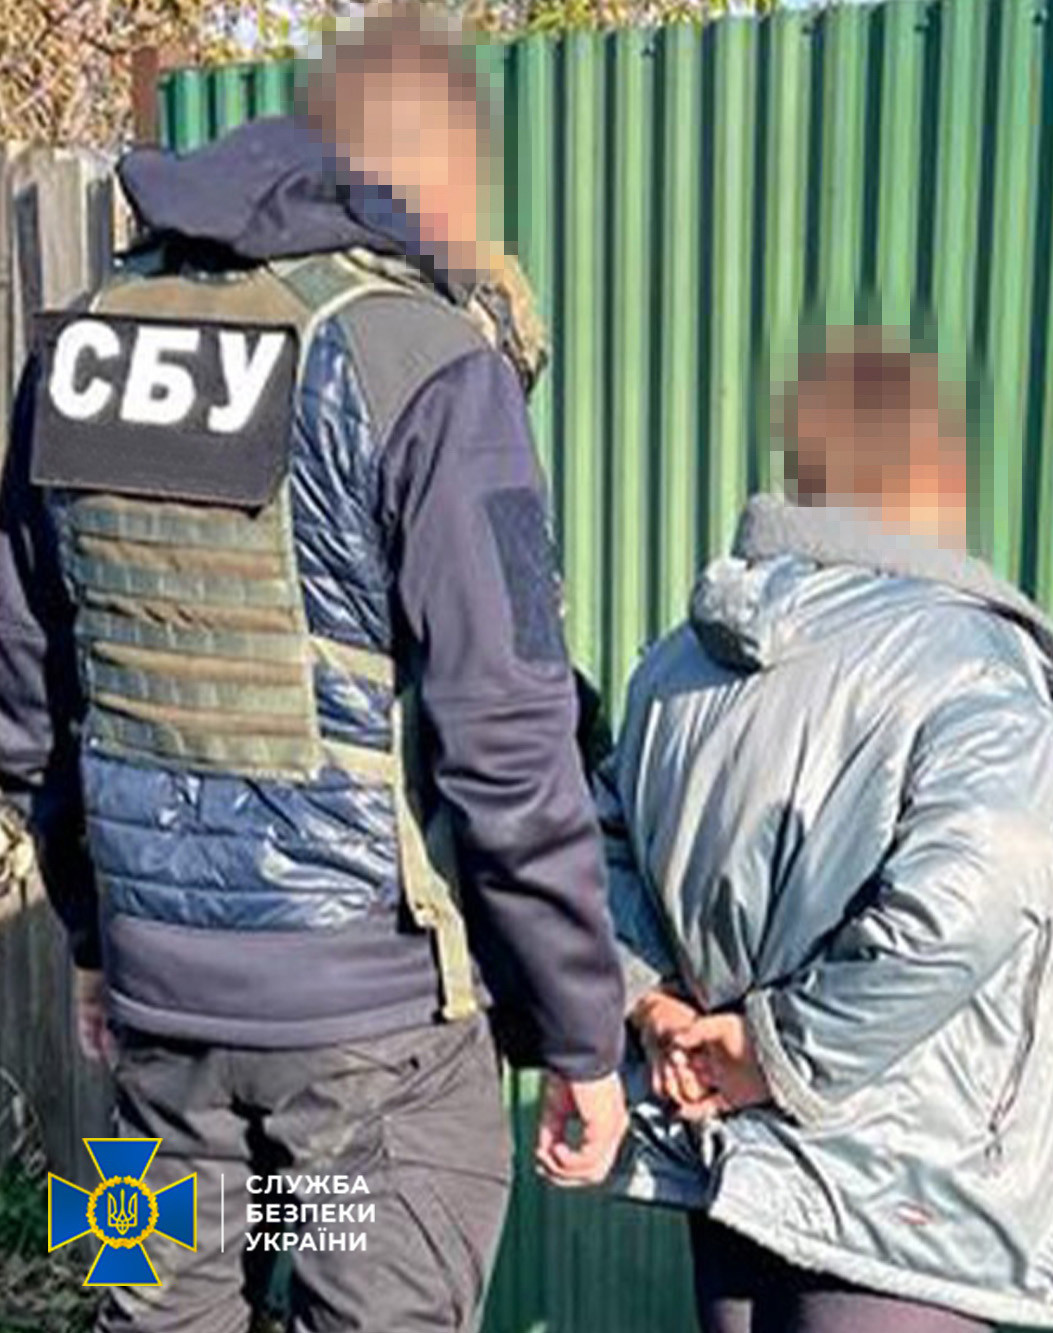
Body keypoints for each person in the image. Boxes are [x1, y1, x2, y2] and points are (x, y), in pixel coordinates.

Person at [0, 9, 628, 1330]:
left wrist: (101, 940)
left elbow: (31, 697)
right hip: (373, 1042)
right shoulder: (428, 360)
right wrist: (581, 1035)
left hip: (161, 1029)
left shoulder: (78, 349)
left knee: (148, 1310)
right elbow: (509, 740)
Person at [597, 335, 1053, 1332]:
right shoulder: (968, 663)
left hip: (729, 1165)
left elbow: (595, 851)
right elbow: (968, 905)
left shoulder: (680, 663)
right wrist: (774, 1052)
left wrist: (656, 1004)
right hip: (904, 1198)